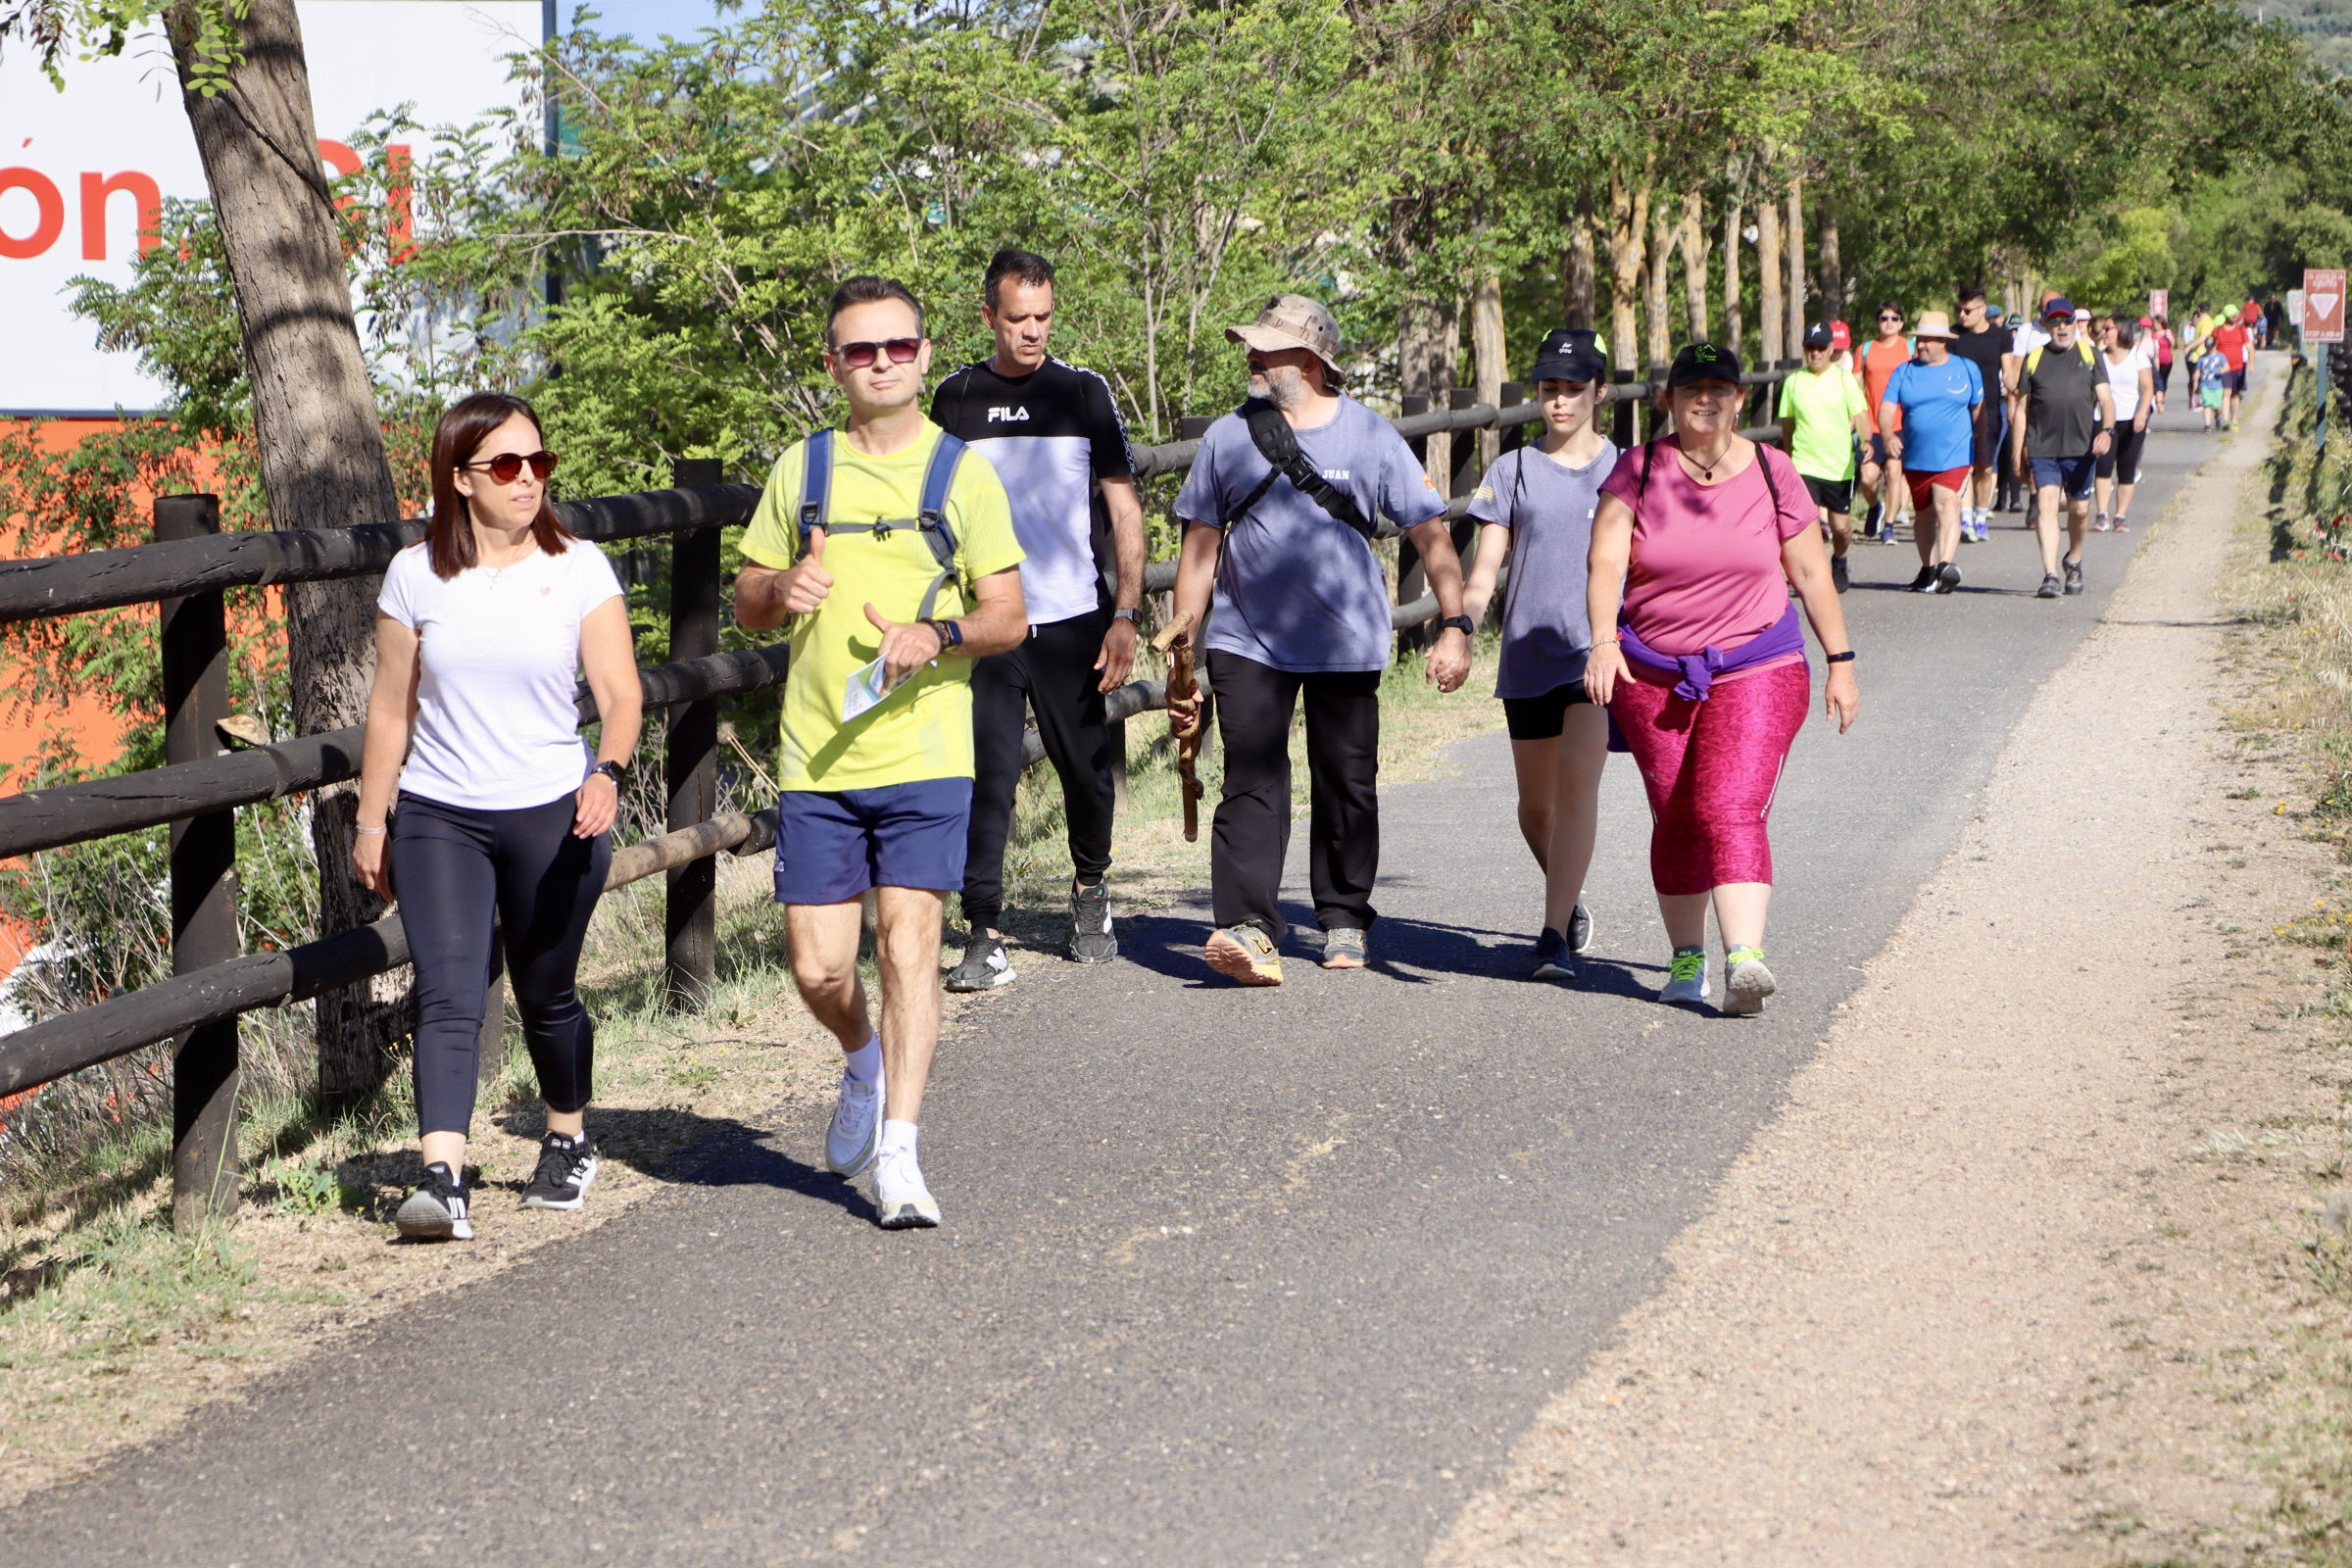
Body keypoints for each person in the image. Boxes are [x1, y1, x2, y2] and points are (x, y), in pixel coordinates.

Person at [734, 275, 1029, 1229]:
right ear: (833, 365)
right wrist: (784, 585)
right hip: (819, 755)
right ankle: (861, 1060)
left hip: (926, 751)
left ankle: (900, 1152)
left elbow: (1009, 616)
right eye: (861, 351)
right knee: (820, 967)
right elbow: (744, 602)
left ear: (925, 353)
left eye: (898, 347)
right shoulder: (802, 470)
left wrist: (934, 634)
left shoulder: (963, 475)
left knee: (910, 945)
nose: (882, 365)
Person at [355, 392, 644, 1243]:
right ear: (459, 477)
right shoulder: (415, 574)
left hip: (556, 813)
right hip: (441, 812)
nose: (528, 481)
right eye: (507, 466)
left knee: (545, 992)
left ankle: (566, 1136)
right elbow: (389, 712)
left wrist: (609, 772)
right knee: (446, 994)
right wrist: (374, 821)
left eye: (539, 463)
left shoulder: (578, 566)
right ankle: (442, 1181)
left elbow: (622, 694)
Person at [1165, 293, 1471, 985]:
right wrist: (1184, 647)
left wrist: (1455, 625)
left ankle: (1342, 916)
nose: (1249, 356)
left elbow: (1429, 530)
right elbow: (1199, 550)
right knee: (1251, 779)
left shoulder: (1368, 436)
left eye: (1264, 348)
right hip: (1247, 640)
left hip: (1346, 640)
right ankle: (1247, 926)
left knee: (1346, 783)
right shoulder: (1226, 437)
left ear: (1307, 361)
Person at [1584, 342, 1860, 1016]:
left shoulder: (1774, 470)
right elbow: (1604, 563)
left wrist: (1841, 663)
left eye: (1719, 387)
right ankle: (1686, 961)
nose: (1704, 399)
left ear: (1740, 398)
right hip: (1652, 671)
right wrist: (1600, 643)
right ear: (1668, 400)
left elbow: (1811, 571)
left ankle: (1744, 959)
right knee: (1676, 814)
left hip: (1758, 663)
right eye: (1690, 388)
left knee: (1727, 804)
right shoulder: (1638, 469)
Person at [929, 249, 1145, 991]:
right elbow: (931, 512)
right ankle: (984, 931)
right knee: (986, 775)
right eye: (1017, 319)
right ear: (988, 315)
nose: (1032, 332)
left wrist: (1126, 611)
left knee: (1086, 772)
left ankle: (1090, 889)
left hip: (1071, 616)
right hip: (988, 621)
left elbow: (1123, 505)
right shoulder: (956, 398)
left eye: (1043, 318)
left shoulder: (1082, 393)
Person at [1461, 328, 1617, 981]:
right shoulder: (1512, 469)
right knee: (1536, 809)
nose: (1558, 402)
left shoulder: (1626, 470)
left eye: (1571, 390)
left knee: (1578, 785)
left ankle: (1552, 935)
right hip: (1527, 655)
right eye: (1549, 390)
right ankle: (1569, 895)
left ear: (1597, 393)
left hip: (1597, 655)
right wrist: (1459, 627)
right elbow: (1484, 569)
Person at [2011, 297, 2116, 599]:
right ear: (2045, 324)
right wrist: (2018, 451)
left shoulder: (2090, 354)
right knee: (2045, 505)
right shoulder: (2034, 359)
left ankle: (2073, 558)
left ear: (2075, 322)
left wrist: (2107, 431)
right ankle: (2050, 575)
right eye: (2054, 321)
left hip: (2081, 447)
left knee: (2080, 510)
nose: (2062, 327)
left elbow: (2106, 401)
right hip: (2042, 447)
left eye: (2067, 320)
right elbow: (2021, 410)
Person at [1880, 312, 1984, 594]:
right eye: (1918, 340)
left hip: (1956, 454)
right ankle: (1927, 569)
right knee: (1924, 514)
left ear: (1942, 342)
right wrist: (1888, 434)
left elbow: (1979, 411)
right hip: (1916, 456)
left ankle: (1945, 567)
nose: (1920, 345)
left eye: (1926, 340)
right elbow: (1887, 408)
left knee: (1946, 503)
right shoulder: (1904, 371)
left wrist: (1982, 446)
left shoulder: (1967, 369)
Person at [1776, 320, 1871, 593]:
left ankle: (1839, 561)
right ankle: (1808, 573)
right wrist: (1788, 453)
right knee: (1805, 524)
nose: (1815, 353)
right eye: (1810, 348)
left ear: (1831, 349)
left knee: (1840, 528)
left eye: (1820, 348)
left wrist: (1866, 442)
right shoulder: (1794, 382)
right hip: (1804, 464)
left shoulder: (1844, 380)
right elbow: (1788, 423)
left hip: (1839, 467)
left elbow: (1861, 415)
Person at [1949, 289, 2013, 542]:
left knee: (1985, 467)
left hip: (1989, 410)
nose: (1962, 315)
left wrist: (2015, 386)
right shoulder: (1954, 335)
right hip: (1959, 408)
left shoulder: (2001, 336)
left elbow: (2007, 371)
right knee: (1965, 466)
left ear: (1982, 310)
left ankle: (1980, 515)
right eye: (1959, 310)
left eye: (1968, 310)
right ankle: (1965, 518)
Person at [1857, 303, 1913, 542]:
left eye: (1894, 318)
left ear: (1901, 323)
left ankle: (1888, 526)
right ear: (1877, 322)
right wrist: (1854, 415)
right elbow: (1856, 384)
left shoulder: (1909, 348)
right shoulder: (1866, 349)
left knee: (1893, 472)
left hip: (1900, 423)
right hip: (1871, 424)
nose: (1888, 322)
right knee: (1868, 478)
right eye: (1883, 318)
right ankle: (1874, 508)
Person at [2094, 318, 2155, 532]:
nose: (2104, 331)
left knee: (2126, 470)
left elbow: (2148, 388)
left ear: (2120, 331)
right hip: (2103, 420)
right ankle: (2102, 514)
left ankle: (2120, 516)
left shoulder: (2138, 356)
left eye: (2108, 328)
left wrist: (2141, 413)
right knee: (2102, 467)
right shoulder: (2099, 357)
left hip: (2131, 420)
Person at [2212, 308, 2252, 429]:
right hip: (2223, 368)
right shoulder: (2218, 330)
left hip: (2238, 367)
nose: (2235, 317)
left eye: (2236, 315)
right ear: (2226, 316)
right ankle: (2225, 420)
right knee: (2226, 392)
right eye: (2232, 315)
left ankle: (2234, 420)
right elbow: (2212, 348)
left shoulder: (2241, 329)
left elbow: (2250, 347)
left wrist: (2251, 362)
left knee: (2235, 394)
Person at [2196, 337, 2229, 432]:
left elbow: (2227, 367)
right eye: (2207, 348)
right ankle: (2207, 426)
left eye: (2210, 347)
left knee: (2217, 407)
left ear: (2215, 346)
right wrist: (2195, 383)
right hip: (2204, 384)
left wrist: (2223, 370)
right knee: (2207, 404)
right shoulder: (2202, 358)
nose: (2208, 349)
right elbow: (2197, 371)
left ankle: (2217, 416)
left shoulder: (2221, 356)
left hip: (2217, 385)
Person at [2149, 315, 2174, 414]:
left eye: (2158, 323)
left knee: (2163, 380)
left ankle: (2160, 400)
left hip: (2166, 360)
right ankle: (2155, 399)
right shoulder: (2152, 334)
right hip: (2154, 361)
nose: (2156, 325)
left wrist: (2170, 338)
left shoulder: (2168, 333)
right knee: (2155, 380)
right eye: (2154, 323)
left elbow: (2174, 346)